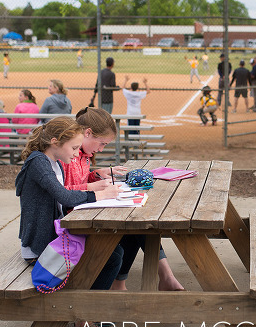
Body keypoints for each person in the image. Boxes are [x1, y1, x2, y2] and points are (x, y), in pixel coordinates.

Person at [15, 116, 121, 327]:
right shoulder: (38, 163)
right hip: (40, 246)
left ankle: (85, 316)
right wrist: (98, 195)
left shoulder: (50, 162)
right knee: (110, 256)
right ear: (55, 141)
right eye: (73, 147)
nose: (76, 153)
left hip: (51, 237)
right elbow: (63, 195)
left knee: (113, 252)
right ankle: (84, 321)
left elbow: (63, 199)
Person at [61, 107, 184, 292]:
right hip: (74, 221)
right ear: (87, 133)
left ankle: (141, 280)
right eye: (102, 143)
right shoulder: (69, 155)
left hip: (84, 211)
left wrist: (95, 176)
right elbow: (63, 193)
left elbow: (79, 180)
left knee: (136, 221)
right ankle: (158, 278)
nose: (101, 149)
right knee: (132, 227)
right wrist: (91, 187)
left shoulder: (84, 156)